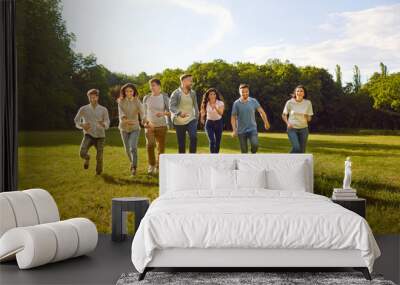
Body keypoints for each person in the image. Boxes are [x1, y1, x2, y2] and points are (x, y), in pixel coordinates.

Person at [74, 89, 110, 175]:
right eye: (90, 97)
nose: (92, 99)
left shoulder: (103, 109)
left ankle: (98, 173)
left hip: (100, 136)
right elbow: (76, 120)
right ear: (88, 98)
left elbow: (107, 122)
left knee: (99, 156)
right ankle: (87, 158)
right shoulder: (83, 109)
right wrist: (82, 125)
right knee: (82, 153)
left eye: (94, 97)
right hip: (88, 135)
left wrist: (104, 124)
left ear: (97, 97)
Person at [142, 78, 171, 174]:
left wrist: (163, 113)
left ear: (159, 86)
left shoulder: (165, 98)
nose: (152, 87)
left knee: (161, 148)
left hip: (162, 126)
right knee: (150, 145)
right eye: (151, 85)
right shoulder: (146, 97)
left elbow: (171, 112)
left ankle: (159, 166)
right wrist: (145, 122)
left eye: (153, 85)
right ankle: (151, 165)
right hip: (149, 125)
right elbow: (143, 112)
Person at [231, 84, 270, 153]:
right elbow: (233, 117)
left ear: (248, 91)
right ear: (239, 92)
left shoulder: (253, 101)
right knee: (244, 151)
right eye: (242, 92)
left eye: (246, 91)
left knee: (255, 145)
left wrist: (266, 122)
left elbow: (261, 112)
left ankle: (252, 154)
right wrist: (234, 129)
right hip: (241, 131)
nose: (245, 93)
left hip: (252, 129)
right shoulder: (236, 103)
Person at [117, 83, 144, 175]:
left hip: (135, 127)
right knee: (127, 149)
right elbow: (121, 114)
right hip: (124, 127)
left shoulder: (137, 101)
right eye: (127, 91)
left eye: (131, 91)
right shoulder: (120, 101)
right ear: (124, 92)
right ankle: (131, 162)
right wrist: (126, 120)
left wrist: (144, 119)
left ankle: (134, 167)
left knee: (133, 147)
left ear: (134, 92)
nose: (129, 93)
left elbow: (142, 111)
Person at [169, 74, 199, 153]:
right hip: (179, 121)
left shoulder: (193, 93)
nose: (191, 82)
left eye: (192, 81)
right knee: (181, 144)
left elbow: (195, 105)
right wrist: (179, 113)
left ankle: (192, 158)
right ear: (183, 81)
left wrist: (196, 116)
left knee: (193, 137)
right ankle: (182, 160)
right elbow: (171, 106)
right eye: (190, 81)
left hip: (191, 119)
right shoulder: (175, 93)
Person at [281, 85, 313, 153]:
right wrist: (287, 123)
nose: (299, 92)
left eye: (301, 91)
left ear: (304, 94)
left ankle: (297, 163)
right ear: (295, 93)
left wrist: (306, 116)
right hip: (292, 128)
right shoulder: (290, 102)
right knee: (296, 148)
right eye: (297, 91)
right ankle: (286, 160)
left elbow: (309, 119)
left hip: (304, 129)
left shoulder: (308, 103)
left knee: (302, 151)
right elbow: (284, 115)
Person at [200, 88, 224, 153]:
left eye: (214, 94)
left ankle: (216, 155)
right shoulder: (205, 103)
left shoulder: (220, 103)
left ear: (216, 95)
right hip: (209, 123)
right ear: (208, 96)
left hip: (218, 123)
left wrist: (215, 107)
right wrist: (202, 118)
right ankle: (212, 157)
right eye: (211, 94)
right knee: (212, 141)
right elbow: (202, 112)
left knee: (218, 142)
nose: (213, 95)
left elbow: (221, 113)